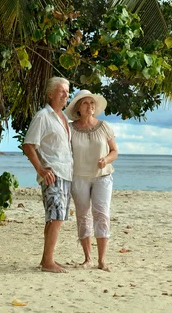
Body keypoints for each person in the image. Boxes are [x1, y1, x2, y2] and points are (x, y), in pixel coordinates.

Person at [22, 77, 73, 273]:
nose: (65, 95)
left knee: (55, 217)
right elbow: (28, 144)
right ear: (50, 93)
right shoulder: (43, 116)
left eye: (67, 92)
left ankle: (47, 260)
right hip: (52, 173)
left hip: (66, 173)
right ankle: (48, 262)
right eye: (61, 91)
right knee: (56, 217)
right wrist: (41, 169)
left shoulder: (64, 118)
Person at [64, 90, 118, 271]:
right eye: (86, 103)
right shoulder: (70, 129)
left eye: (92, 103)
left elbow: (114, 151)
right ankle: (88, 258)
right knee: (82, 215)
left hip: (102, 176)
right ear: (78, 108)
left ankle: (102, 260)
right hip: (78, 176)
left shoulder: (104, 126)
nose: (90, 106)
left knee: (101, 213)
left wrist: (106, 160)